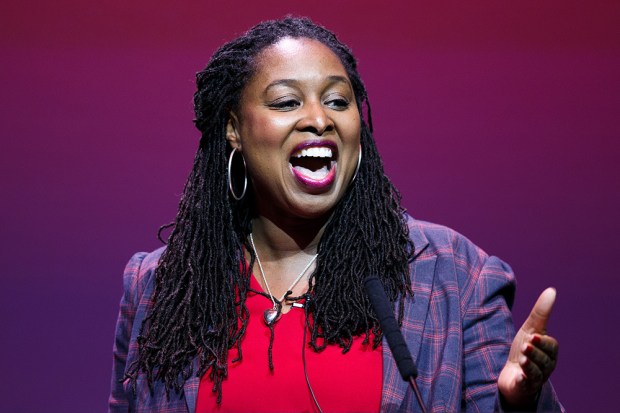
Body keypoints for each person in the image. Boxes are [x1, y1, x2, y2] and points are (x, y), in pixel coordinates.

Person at [109, 17, 563, 413]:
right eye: (286, 102)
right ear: (233, 129)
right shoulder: (160, 287)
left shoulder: (452, 274)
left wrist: (520, 402)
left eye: (338, 101)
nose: (319, 119)